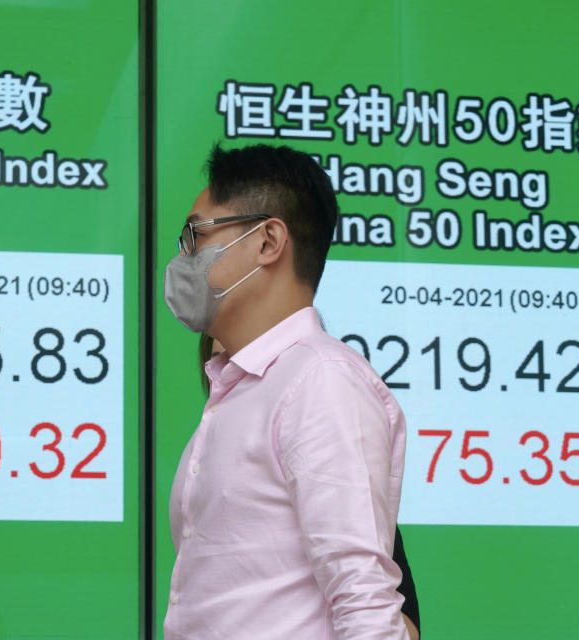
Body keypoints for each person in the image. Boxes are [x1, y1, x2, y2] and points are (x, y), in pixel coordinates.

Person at [163, 143, 412, 639]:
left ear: (268, 241)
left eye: (196, 235)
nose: (181, 259)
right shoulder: (236, 392)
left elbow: (363, 601)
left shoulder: (320, 381)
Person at [199, 333, 420, 639]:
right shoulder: (200, 486)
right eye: (223, 369)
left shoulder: (343, 491)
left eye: (250, 370)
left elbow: (398, 624)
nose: (236, 381)